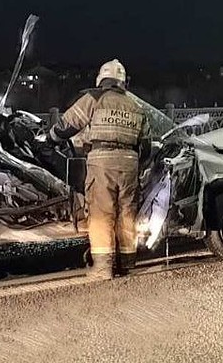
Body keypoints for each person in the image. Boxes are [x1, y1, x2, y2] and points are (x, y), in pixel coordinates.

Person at [43, 60, 147, 279]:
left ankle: (102, 268)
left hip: (102, 163)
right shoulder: (135, 106)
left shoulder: (94, 98)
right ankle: (127, 264)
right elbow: (145, 144)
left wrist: (49, 139)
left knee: (102, 213)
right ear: (123, 82)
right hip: (130, 163)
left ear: (101, 80)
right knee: (127, 213)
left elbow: (68, 124)